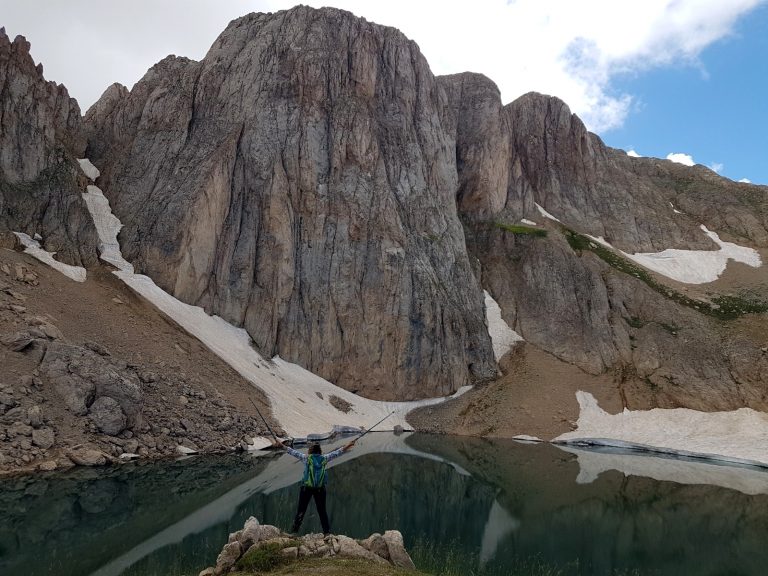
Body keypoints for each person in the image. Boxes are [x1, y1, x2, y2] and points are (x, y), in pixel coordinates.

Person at [274, 438, 356, 535]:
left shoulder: (306, 458)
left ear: (310, 451)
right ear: (320, 451)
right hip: (320, 489)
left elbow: (292, 452)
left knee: (301, 510)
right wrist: (349, 444)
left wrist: (282, 445)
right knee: (322, 511)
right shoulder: (324, 458)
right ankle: (327, 533)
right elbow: (338, 452)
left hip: (306, 488)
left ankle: (294, 533)